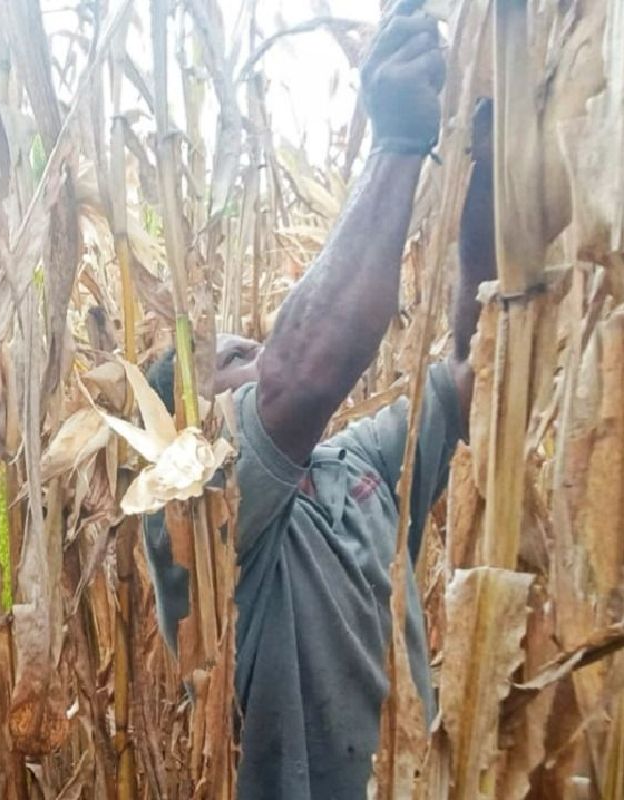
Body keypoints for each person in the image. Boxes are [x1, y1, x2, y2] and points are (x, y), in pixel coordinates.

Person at [144, 6, 496, 797]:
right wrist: (400, 143)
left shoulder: (359, 466)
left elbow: (481, 364)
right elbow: (303, 374)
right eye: (236, 359)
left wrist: (486, 147)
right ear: (184, 427)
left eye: (257, 346)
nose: (263, 356)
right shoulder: (190, 517)